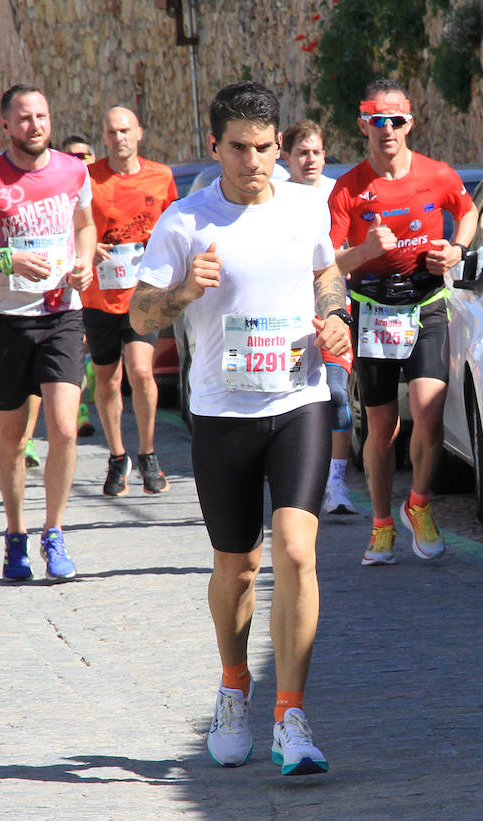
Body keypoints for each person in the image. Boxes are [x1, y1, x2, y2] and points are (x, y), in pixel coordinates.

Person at [130, 81, 351, 776]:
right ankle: (234, 685)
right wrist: (182, 293)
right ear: (214, 145)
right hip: (223, 412)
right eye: (238, 148)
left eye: (264, 148)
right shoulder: (185, 222)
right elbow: (138, 315)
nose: (252, 161)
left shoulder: (304, 206)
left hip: (299, 399)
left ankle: (292, 715)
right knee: (237, 566)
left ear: (279, 145)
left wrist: (336, 314)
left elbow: (327, 275)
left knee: (295, 551)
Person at [0, 84, 96, 581]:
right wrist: (0, 258)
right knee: (11, 438)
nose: (35, 125)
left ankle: (54, 533)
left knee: (65, 427)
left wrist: (83, 263)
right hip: (5, 321)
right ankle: (15, 536)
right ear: (6, 127)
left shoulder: (74, 170)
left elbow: (86, 225)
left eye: (42, 116)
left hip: (62, 314)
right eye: (24, 118)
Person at [327, 79, 478, 565]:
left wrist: (456, 250)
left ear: (409, 122)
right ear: (363, 124)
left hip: (426, 302)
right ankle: (381, 524)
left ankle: (418, 504)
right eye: (377, 120)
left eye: (395, 120)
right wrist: (368, 250)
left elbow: (468, 210)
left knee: (430, 414)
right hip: (371, 310)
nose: (387, 129)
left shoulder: (437, 174)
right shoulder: (349, 188)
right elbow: (330, 262)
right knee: (382, 428)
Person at [82, 106, 179, 496]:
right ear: (103, 138)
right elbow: (75, 228)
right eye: (111, 132)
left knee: (141, 371)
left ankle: (148, 454)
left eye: (125, 130)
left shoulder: (161, 176)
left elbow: (175, 226)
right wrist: (88, 248)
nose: (119, 137)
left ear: (139, 133)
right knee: (108, 378)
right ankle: (117, 456)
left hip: (143, 294)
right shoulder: (88, 179)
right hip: (100, 294)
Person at [282, 119, 354, 515]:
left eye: (317, 152)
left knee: (338, 395)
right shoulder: (275, 196)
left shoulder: (337, 193)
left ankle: (336, 482)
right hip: (290, 323)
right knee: (293, 401)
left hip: (332, 314)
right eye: (302, 153)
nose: (310, 160)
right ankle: (297, 480)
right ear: (287, 156)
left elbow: (345, 254)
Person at [62, 133, 99, 437]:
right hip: (74, 284)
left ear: (93, 158)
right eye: (70, 156)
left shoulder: (104, 188)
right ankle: (80, 412)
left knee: (93, 356)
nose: (78, 161)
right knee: (78, 348)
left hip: (111, 288)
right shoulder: (59, 191)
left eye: (82, 155)